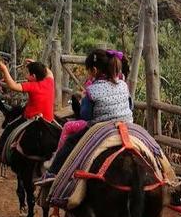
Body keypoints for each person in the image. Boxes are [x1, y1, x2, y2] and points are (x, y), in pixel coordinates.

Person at [40, 49, 133, 182]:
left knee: (71, 141)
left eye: (88, 71)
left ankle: (53, 172)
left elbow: (85, 117)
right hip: (127, 126)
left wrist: (84, 99)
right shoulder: (123, 84)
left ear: (94, 70)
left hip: (101, 128)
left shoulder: (92, 90)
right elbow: (130, 106)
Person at [0, 59, 55, 158]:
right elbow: (49, 72)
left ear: (33, 76)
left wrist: (4, 69)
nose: (26, 76)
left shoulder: (32, 86)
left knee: (10, 126)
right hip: (48, 120)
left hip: (32, 120)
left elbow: (12, 85)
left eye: (28, 74)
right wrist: (37, 63)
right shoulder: (49, 82)